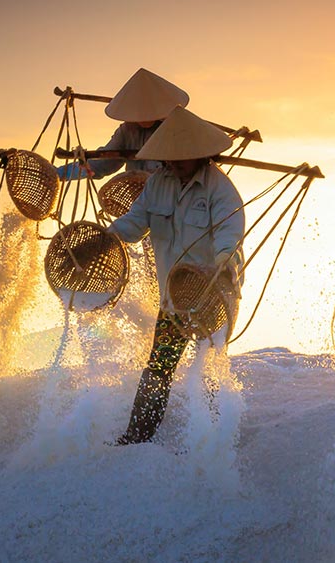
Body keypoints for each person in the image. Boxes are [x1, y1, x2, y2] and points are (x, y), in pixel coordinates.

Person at [106, 105, 245, 445]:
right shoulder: (157, 184)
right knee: (158, 367)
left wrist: (222, 262)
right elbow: (135, 221)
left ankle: (214, 441)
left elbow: (230, 235)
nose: (175, 164)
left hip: (214, 294)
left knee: (210, 367)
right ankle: (137, 436)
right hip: (173, 298)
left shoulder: (220, 190)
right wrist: (109, 236)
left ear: (201, 155)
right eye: (170, 158)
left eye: (182, 159)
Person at [57, 68, 190, 181]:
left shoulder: (177, 129)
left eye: (147, 110)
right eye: (138, 111)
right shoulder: (127, 131)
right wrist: (58, 174)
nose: (142, 117)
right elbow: (103, 163)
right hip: (139, 200)